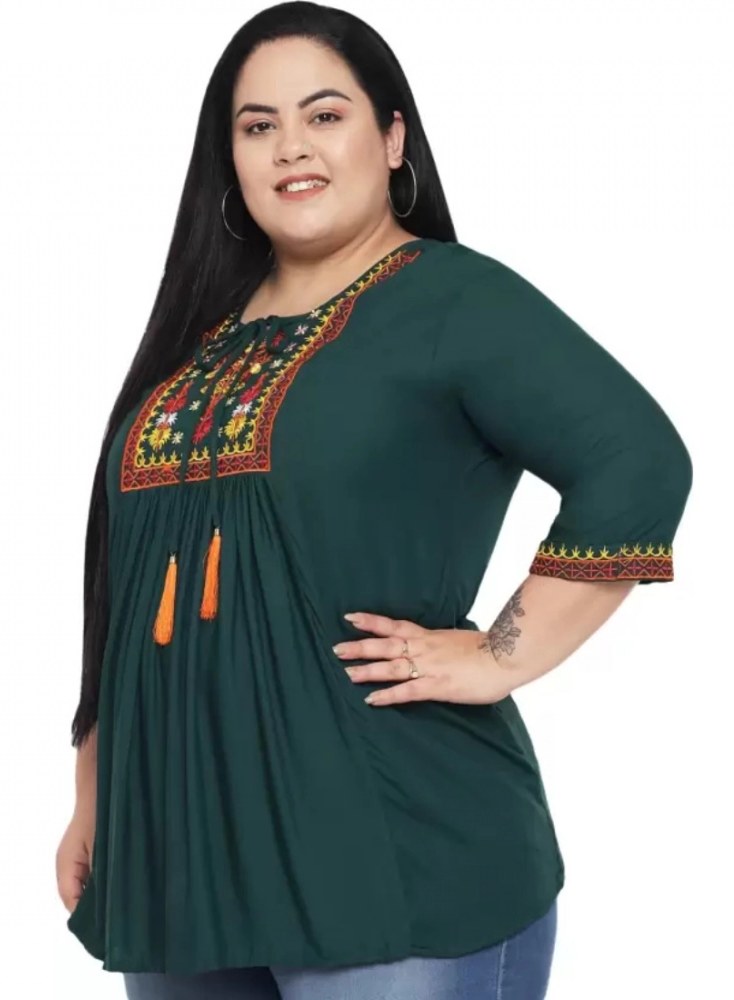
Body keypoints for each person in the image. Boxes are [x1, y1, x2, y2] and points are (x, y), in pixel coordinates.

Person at [55, 3, 693, 998]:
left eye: (325, 115)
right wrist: (96, 785)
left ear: (393, 139)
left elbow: (636, 461)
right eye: (257, 126)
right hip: (184, 867)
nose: (291, 148)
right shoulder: (196, 341)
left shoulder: (449, 300)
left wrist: (497, 655)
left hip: (394, 856)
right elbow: (128, 577)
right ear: (229, 159)